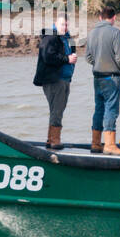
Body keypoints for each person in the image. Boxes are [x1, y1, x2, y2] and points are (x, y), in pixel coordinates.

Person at [83, 6, 120, 154]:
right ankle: (109, 145)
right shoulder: (115, 32)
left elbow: (88, 57)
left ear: (100, 18)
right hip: (111, 77)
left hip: (97, 77)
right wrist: (119, 69)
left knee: (99, 109)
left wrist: (98, 64)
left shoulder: (92, 33)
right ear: (114, 18)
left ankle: (95, 143)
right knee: (111, 110)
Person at [33, 13, 76, 149]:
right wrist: (67, 59)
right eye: (62, 24)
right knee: (57, 110)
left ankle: (50, 139)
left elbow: (72, 53)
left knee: (58, 110)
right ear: (56, 24)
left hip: (65, 79)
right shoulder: (51, 37)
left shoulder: (68, 38)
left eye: (67, 24)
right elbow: (48, 56)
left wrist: (71, 59)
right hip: (54, 80)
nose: (65, 27)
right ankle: (54, 140)